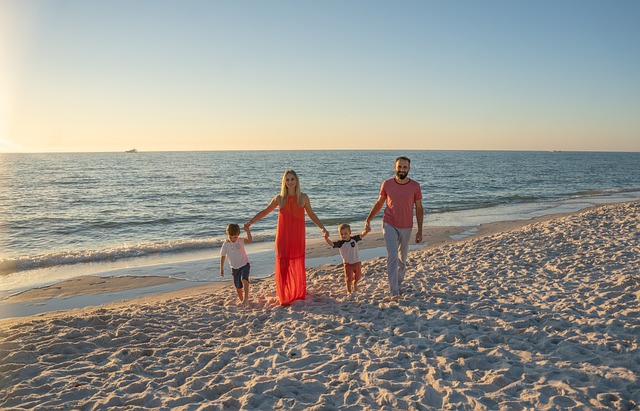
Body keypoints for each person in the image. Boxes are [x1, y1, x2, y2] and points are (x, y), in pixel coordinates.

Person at [246, 169, 329, 306]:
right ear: (284, 182)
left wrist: (323, 228)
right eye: (288, 179)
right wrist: (251, 222)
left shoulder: (303, 198)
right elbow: (265, 211)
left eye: (292, 179)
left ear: (297, 181)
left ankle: (296, 293)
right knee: (284, 264)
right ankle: (284, 295)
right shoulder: (279, 199)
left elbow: (312, 215)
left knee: (296, 263)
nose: (290, 182)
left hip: (297, 237)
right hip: (283, 237)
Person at [364, 156, 424, 299]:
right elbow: (379, 203)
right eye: (399, 167)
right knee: (392, 255)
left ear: (408, 169)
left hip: (407, 226)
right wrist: (368, 219)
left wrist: (420, 230)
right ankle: (394, 290)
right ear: (394, 167)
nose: (402, 170)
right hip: (389, 223)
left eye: (405, 167)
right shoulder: (387, 184)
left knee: (402, 258)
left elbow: (419, 208)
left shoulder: (415, 186)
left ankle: (398, 283)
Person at [325, 223, 370, 296]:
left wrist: (366, 231)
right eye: (341, 234)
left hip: (357, 262)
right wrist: (326, 238)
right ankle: (349, 291)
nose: (343, 235)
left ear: (350, 232)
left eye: (345, 233)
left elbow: (362, 235)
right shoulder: (340, 243)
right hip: (348, 264)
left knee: (358, 277)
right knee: (349, 279)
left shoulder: (354, 239)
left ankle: (355, 284)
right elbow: (331, 244)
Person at [220, 223, 253, 304]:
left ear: (238, 235)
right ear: (228, 235)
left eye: (235, 237)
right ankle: (242, 300)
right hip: (234, 268)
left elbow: (249, 240)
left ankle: (246, 299)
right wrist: (221, 268)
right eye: (230, 237)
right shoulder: (225, 244)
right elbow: (223, 256)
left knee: (244, 280)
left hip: (244, 264)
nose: (233, 239)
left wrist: (248, 231)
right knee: (238, 287)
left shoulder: (240, 240)